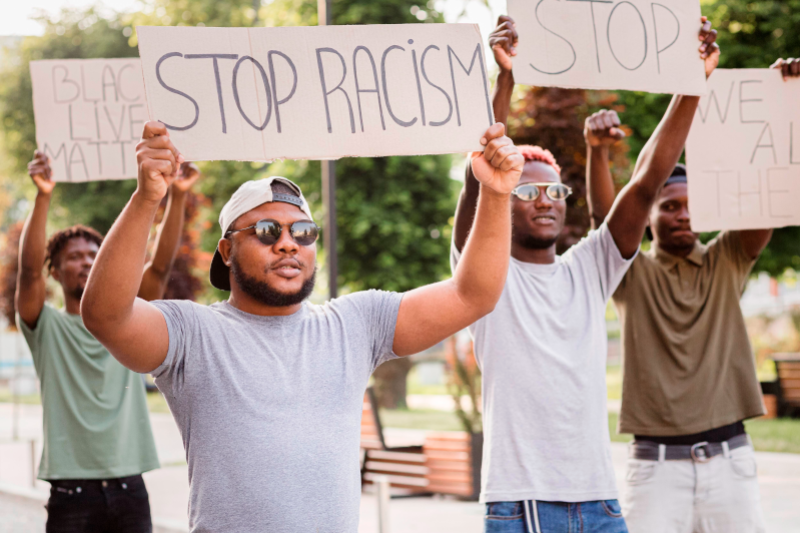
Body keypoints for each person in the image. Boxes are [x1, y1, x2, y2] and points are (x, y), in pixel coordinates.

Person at [79, 119, 523, 533]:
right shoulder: (193, 333)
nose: (289, 243)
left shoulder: (355, 323)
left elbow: (473, 295)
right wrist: (147, 198)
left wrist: (497, 193)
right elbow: (106, 316)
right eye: (268, 231)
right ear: (227, 252)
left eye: (304, 232)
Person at [453, 15, 720, 533]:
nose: (545, 201)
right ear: (505, 204)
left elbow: (646, 182)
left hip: (600, 504)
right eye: (527, 192)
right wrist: (506, 78)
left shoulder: (590, 268)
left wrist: (693, 83)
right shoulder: (484, 276)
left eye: (555, 190)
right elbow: (477, 175)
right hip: (520, 505)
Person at [586, 58, 800, 533]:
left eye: (691, 204)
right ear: (651, 214)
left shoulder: (729, 257)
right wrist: (597, 154)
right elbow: (607, 218)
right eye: (669, 206)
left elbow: (761, 191)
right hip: (655, 468)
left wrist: (778, 97)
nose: (683, 214)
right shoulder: (631, 274)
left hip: (731, 461)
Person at [15, 150, 200, 533]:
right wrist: (43, 195)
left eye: (93, 256)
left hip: (130, 489)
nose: (85, 261)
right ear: (56, 270)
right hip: (71, 495)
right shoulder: (45, 326)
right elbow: (29, 272)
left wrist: (178, 194)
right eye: (74, 256)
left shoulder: (125, 324)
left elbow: (159, 268)